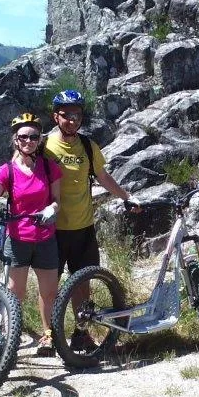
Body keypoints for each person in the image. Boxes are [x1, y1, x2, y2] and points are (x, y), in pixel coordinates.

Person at [43, 89, 139, 351]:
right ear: (56, 117)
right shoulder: (45, 147)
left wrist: (126, 197)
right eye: (66, 115)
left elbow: (103, 176)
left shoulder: (88, 146)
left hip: (83, 227)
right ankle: (49, 334)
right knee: (50, 287)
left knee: (82, 285)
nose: (72, 120)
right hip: (53, 229)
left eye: (77, 115)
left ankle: (80, 333)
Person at [0, 113, 63, 356]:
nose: (29, 141)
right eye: (23, 137)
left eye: (33, 136)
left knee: (49, 293)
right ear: (15, 140)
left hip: (46, 239)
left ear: (39, 140)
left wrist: (51, 209)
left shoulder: (49, 168)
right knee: (15, 294)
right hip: (18, 240)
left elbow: (57, 201)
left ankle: (48, 335)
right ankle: (7, 336)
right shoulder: (8, 171)